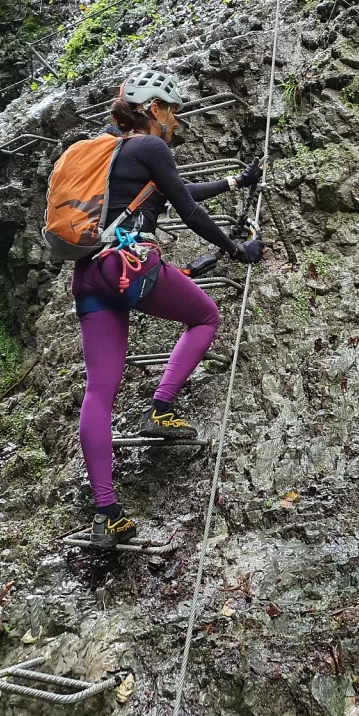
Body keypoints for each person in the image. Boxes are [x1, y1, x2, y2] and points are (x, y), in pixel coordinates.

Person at [71, 69, 265, 547]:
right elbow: (188, 210)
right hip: (132, 265)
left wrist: (232, 182)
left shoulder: (110, 154)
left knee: (99, 393)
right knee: (205, 316)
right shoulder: (153, 148)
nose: (176, 119)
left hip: (91, 274)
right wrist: (237, 250)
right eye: (172, 109)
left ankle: (107, 512)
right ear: (154, 109)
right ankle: (160, 406)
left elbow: (175, 190)